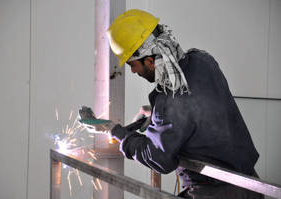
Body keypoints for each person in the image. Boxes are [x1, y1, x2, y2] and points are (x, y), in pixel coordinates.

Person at [81, 9, 263, 198]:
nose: (134, 72)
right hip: (252, 184)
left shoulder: (169, 100)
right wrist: (156, 114)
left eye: (132, 64)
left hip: (214, 192)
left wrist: (114, 130)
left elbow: (157, 158)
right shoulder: (203, 60)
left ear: (150, 61)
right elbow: (199, 106)